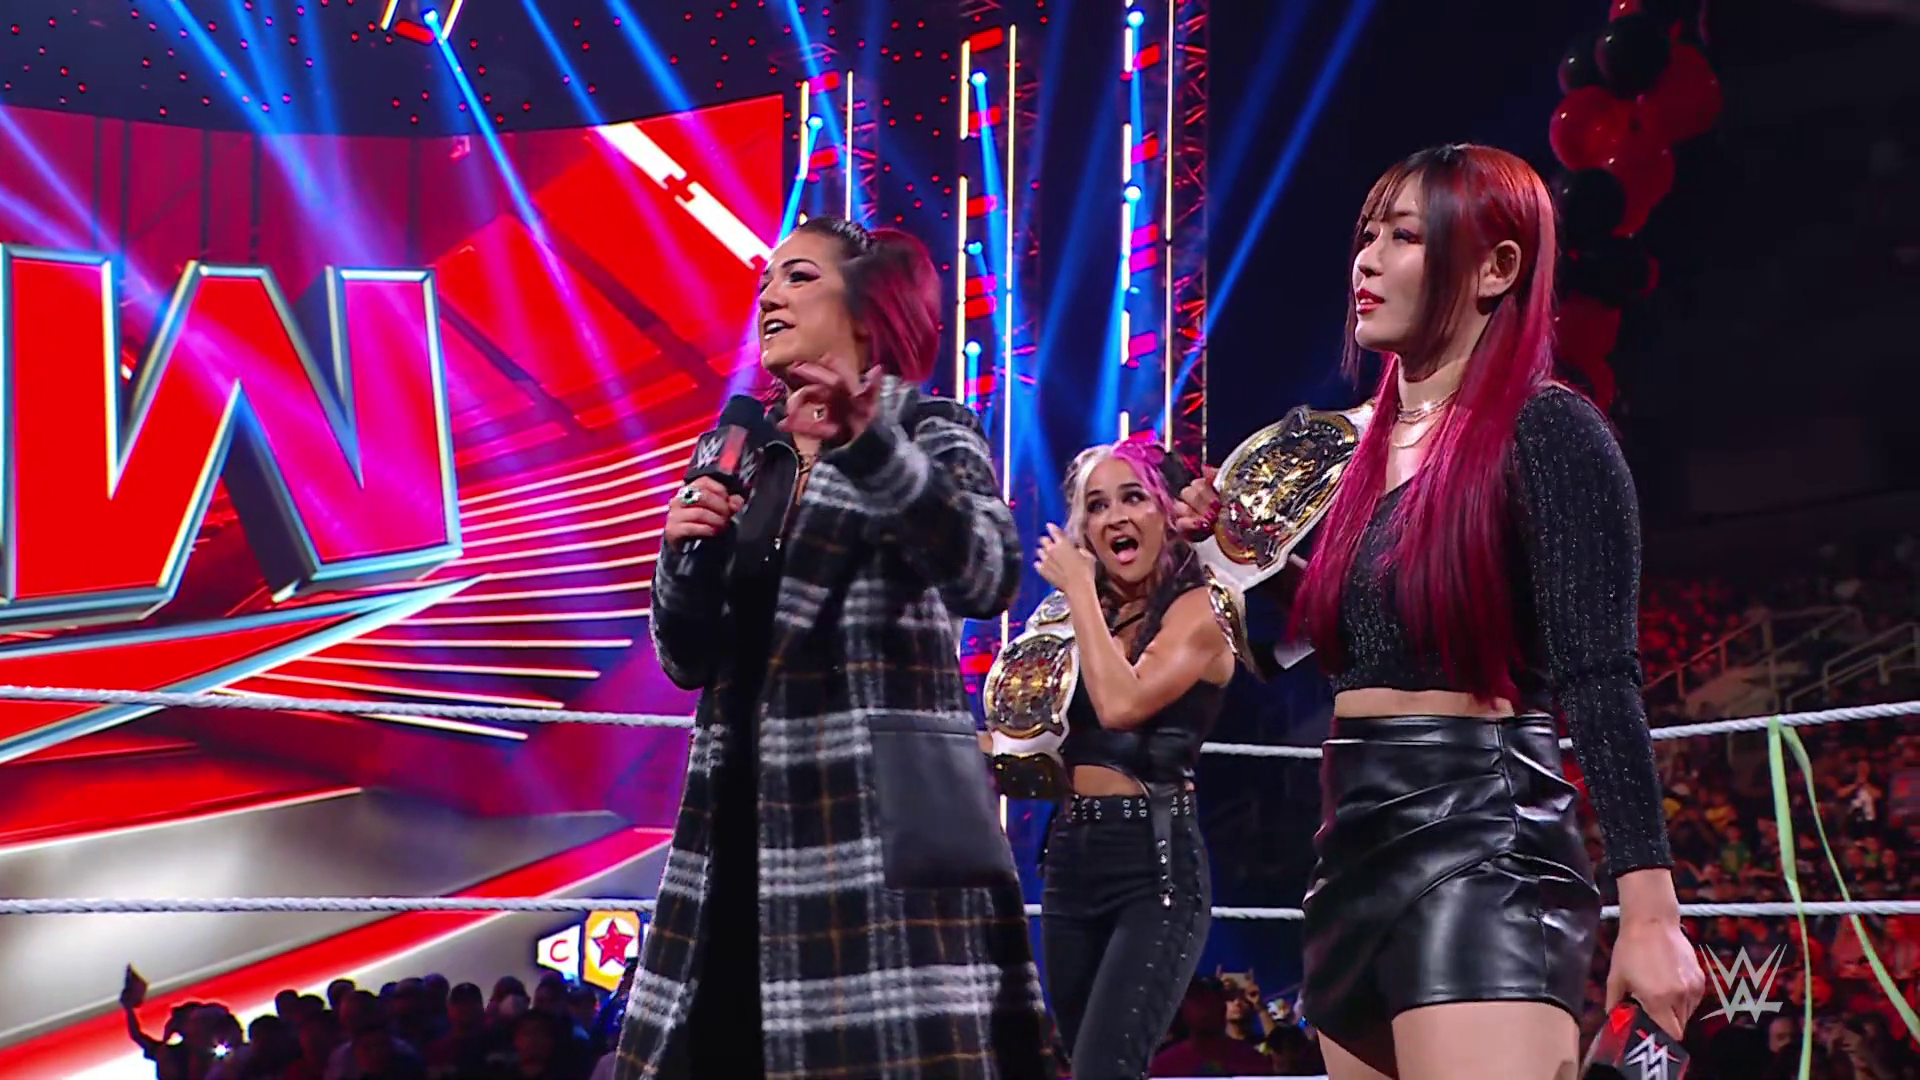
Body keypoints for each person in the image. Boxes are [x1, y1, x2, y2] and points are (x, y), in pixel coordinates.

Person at [1179, 144, 1704, 1079]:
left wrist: (1651, 913)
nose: (1367, 259)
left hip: (1482, 836)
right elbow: (1335, 645)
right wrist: (1229, 552)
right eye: (1366, 235)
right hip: (1350, 844)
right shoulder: (1355, 461)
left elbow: (1601, 678)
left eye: (1405, 236)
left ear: (1497, 267)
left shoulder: (1550, 431)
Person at [616, 215, 1052, 1079]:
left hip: (864, 835)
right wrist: (679, 552)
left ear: (865, 308)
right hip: (733, 828)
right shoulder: (742, 450)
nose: (770, 296)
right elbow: (686, 660)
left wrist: (871, 445)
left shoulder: (927, 427)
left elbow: (990, 573)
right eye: (766, 282)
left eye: (799, 277)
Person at [1026, 437, 1236, 1079]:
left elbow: (1123, 704)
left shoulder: (1199, 611)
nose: (1114, 516)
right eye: (1096, 506)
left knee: (1106, 1069)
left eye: (1133, 497)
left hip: (1153, 866)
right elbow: (1035, 739)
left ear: (1167, 512)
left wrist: (1080, 593)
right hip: (1068, 858)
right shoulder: (1081, 619)